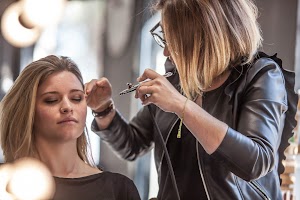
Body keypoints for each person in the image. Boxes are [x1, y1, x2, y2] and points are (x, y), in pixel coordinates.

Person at [86, 0, 298, 199]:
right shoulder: (176, 80)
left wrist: (180, 105)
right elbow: (132, 144)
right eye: (164, 38)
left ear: (205, 37)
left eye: (173, 40)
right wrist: (103, 109)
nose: (166, 51)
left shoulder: (261, 76)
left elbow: (256, 162)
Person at [0, 55, 141, 200]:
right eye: (51, 100)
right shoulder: (6, 184)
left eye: (76, 98)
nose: (67, 107)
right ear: (28, 111)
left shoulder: (119, 189)